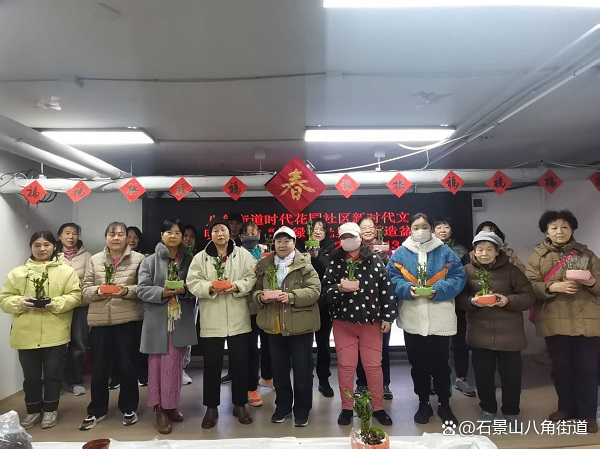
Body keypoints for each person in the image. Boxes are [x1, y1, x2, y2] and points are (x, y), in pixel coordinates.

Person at [387, 213, 466, 425]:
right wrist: (407, 289)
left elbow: (458, 277)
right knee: (418, 365)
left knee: (441, 365)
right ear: (409, 229)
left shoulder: (445, 252)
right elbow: (391, 278)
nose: (420, 230)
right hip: (413, 319)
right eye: (416, 227)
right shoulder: (401, 253)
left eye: (424, 226)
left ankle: (444, 404)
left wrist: (438, 290)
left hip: (440, 318)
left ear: (431, 228)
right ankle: (423, 403)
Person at [525, 210, 600, 434]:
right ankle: (565, 408)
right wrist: (552, 286)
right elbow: (529, 286)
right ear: (546, 231)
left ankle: (588, 414)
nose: (559, 231)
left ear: (572, 230)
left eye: (565, 227)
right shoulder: (537, 256)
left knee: (589, 369)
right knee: (562, 368)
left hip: (588, 320)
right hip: (555, 320)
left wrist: (591, 281)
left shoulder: (587, 254)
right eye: (554, 227)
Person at [0, 231, 81, 429]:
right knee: (31, 377)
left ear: (54, 247)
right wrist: (20, 302)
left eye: (46, 245)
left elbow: (75, 296)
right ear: (30, 247)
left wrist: (55, 304)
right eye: (37, 245)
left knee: (53, 374)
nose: (42, 249)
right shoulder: (17, 273)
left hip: (56, 332)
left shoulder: (66, 271)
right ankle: (33, 411)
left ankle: (51, 410)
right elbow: (4, 299)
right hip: (25, 333)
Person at [322, 222, 397, 427]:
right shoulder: (335, 261)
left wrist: (388, 317)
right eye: (344, 237)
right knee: (346, 366)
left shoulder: (374, 260)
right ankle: (347, 408)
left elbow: (386, 289)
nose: (349, 241)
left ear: (360, 238)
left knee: (373, 366)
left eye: (352, 237)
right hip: (343, 323)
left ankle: (378, 408)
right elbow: (325, 291)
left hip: (371, 322)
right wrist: (339, 289)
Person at [457, 231, 535, 429]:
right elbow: (458, 299)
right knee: (483, 376)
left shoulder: (511, 271)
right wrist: (472, 301)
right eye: (480, 249)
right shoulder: (466, 270)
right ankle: (488, 408)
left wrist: (508, 300)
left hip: (510, 336)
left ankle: (511, 411)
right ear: (474, 251)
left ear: (497, 251)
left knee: (511, 377)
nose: (484, 253)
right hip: (479, 335)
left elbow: (529, 296)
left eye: (489, 249)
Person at [186, 217, 257, 429]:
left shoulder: (242, 254)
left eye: (223, 230)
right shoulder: (200, 258)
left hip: (238, 318)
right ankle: (211, 407)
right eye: (216, 230)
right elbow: (192, 282)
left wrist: (237, 286)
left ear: (229, 233)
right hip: (212, 319)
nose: (220, 233)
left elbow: (252, 277)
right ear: (210, 234)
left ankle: (240, 404)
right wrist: (210, 287)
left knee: (239, 364)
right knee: (212, 365)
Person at [252, 226, 321, 427]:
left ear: (294, 242)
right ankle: (282, 407)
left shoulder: (305, 264)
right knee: (279, 370)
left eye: (287, 241)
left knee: (302, 371)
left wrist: (291, 297)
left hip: (300, 327)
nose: (282, 245)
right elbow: (254, 291)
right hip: (274, 327)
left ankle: (302, 410)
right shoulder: (264, 265)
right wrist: (261, 297)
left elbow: (315, 291)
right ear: (274, 243)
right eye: (279, 241)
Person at [79, 222, 145, 431]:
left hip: (128, 320)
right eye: (111, 234)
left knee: (128, 366)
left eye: (120, 234)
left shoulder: (139, 259)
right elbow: (85, 290)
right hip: (100, 321)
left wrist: (125, 291)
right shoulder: (95, 259)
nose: (116, 238)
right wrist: (99, 291)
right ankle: (97, 410)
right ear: (106, 237)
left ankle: (129, 408)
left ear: (127, 238)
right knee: (99, 368)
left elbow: (143, 289)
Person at [137, 219, 197, 434]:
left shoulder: (190, 260)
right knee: (157, 364)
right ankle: (159, 409)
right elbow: (141, 290)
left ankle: (171, 405)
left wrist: (184, 290)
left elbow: (197, 285)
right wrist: (162, 292)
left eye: (177, 232)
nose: (173, 236)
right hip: (157, 320)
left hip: (180, 319)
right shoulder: (149, 261)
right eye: (169, 232)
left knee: (175, 364)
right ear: (161, 235)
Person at [433, 218, 475, 398]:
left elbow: (466, 276)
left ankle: (461, 378)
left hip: (457, 301)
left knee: (460, 341)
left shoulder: (461, 250)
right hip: (435, 301)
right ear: (433, 231)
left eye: (446, 226)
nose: (443, 230)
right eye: (439, 227)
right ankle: (436, 378)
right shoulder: (428, 250)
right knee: (437, 343)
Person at [354, 216, 393, 400]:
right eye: (364, 227)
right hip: (358, 308)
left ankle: (384, 384)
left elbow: (391, 279)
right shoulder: (353, 251)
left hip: (380, 307)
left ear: (376, 230)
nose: (368, 230)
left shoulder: (385, 250)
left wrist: (384, 258)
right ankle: (362, 383)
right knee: (360, 350)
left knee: (382, 348)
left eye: (371, 227)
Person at [57, 222, 92, 396]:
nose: (71, 237)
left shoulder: (88, 257)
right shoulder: (53, 256)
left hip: (80, 306)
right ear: (60, 236)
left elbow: (91, 281)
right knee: (58, 345)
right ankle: (57, 382)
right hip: (58, 307)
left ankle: (75, 381)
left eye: (74, 233)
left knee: (78, 344)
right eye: (67, 233)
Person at [240, 221, 272, 406]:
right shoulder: (237, 253)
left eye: (254, 232)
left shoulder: (267, 250)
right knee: (251, 349)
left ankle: (267, 377)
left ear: (259, 233)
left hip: (268, 306)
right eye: (247, 233)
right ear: (241, 236)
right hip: (248, 308)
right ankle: (251, 387)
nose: (251, 236)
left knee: (269, 345)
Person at [306, 218, 337, 398]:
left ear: (326, 233)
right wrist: (307, 256)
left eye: (321, 229)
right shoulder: (301, 248)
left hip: (324, 304)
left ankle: (324, 381)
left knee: (323, 344)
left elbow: (330, 271)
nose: (317, 231)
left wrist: (317, 256)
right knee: (304, 344)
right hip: (304, 304)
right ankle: (306, 378)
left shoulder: (332, 249)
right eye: (314, 228)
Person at [181, 223, 199, 385]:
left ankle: (182, 368)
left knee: (188, 336)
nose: (187, 239)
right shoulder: (176, 257)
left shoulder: (196, 257)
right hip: (173, 300)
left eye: (191, 237)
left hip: (192, 300)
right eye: (185, 236)